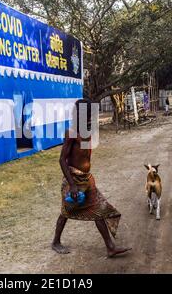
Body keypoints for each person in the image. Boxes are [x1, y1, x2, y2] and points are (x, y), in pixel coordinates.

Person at [51, 98, 131, 258]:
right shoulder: (71, 133)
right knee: (66, 212)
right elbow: (62, 160)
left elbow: (85, 158)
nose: (91, 118)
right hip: (73, 180)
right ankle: (55, 242)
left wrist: (88, 178)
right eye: (88, 114)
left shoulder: (87, 132)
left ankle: (110, 247)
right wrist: (72, 185)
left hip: (86, 179)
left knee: (99, 210)